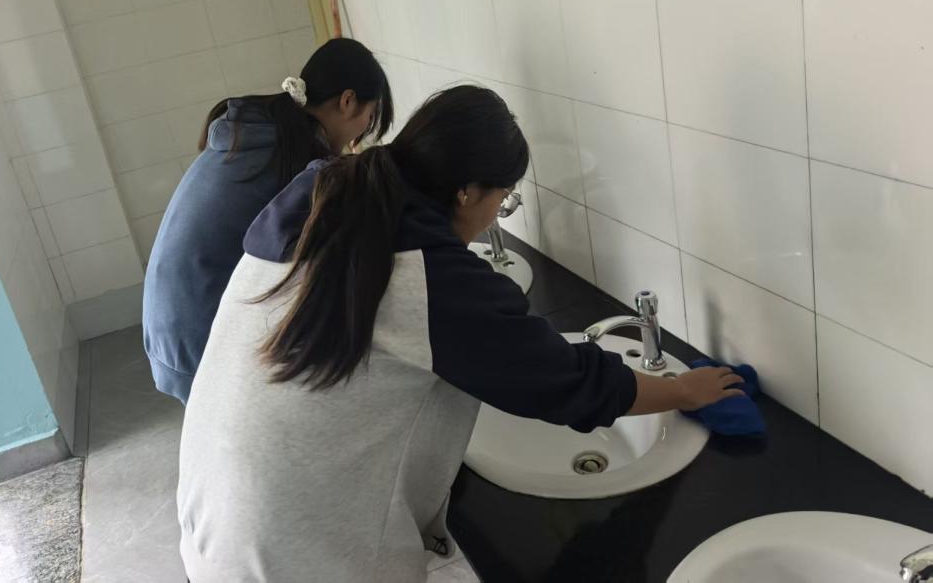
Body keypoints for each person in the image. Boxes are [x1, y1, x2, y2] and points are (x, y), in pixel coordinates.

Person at [176, 86, 743, 582]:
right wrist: (683, 390)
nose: (497, 215)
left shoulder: (324, 193)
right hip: (296, 552)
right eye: (502, 197)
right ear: (467, 191)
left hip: (216, 514)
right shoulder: (425, 277)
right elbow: (565, 381)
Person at [143, 38, 393, 404]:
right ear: (347, 101)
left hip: (168, 323)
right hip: (196, 334)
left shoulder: (263, 131)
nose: (361, 136)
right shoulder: (291, 160)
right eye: (369, 118)